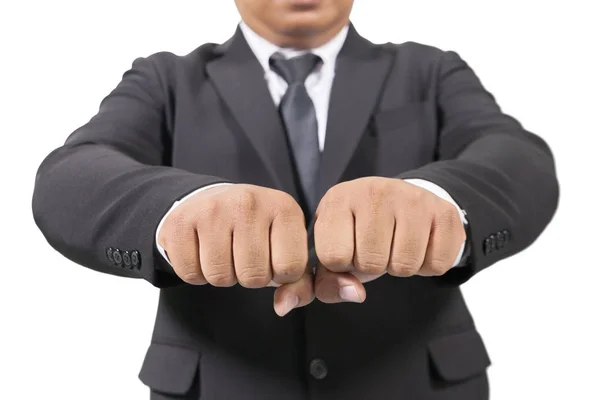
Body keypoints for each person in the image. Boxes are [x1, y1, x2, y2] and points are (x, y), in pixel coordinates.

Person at [31, 0, 559, 398]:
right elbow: (70, 175)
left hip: (417, 384)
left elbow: (519, 157)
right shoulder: (165, 79)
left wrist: (437, 197)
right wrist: (179, 211)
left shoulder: (430, 70)